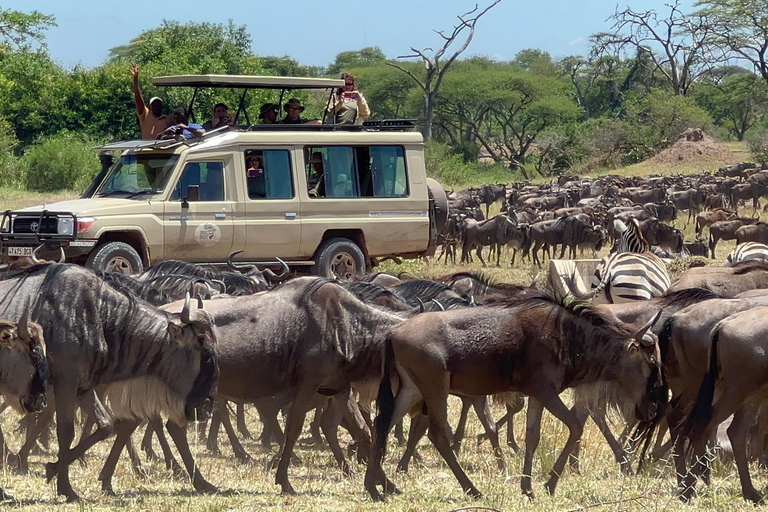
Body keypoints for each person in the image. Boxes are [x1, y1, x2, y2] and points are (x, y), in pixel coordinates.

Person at [131, 62, 169, 139]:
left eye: (159, 105)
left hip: (162, 149)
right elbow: (138, 98)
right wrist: (135, 78)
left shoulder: (167, 119)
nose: (157, 107)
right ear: (150, 107)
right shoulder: (146, 116)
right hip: (147, 149)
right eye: (154, 105)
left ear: (162, 107)